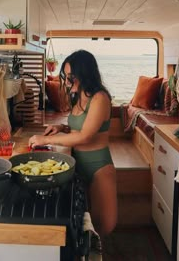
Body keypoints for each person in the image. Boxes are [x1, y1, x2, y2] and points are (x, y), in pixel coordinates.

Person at [29, 50, 117, 254]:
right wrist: (61, 128)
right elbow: (78, 128)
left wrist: (46, 139)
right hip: (77, 163)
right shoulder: (79, 96)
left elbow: (85, 136)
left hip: (98, 167)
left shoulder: (100, 98)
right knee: (83, 223)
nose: (67, 81)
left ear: (85, 73)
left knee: (104, 226)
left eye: (71, 76)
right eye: (66, 76)